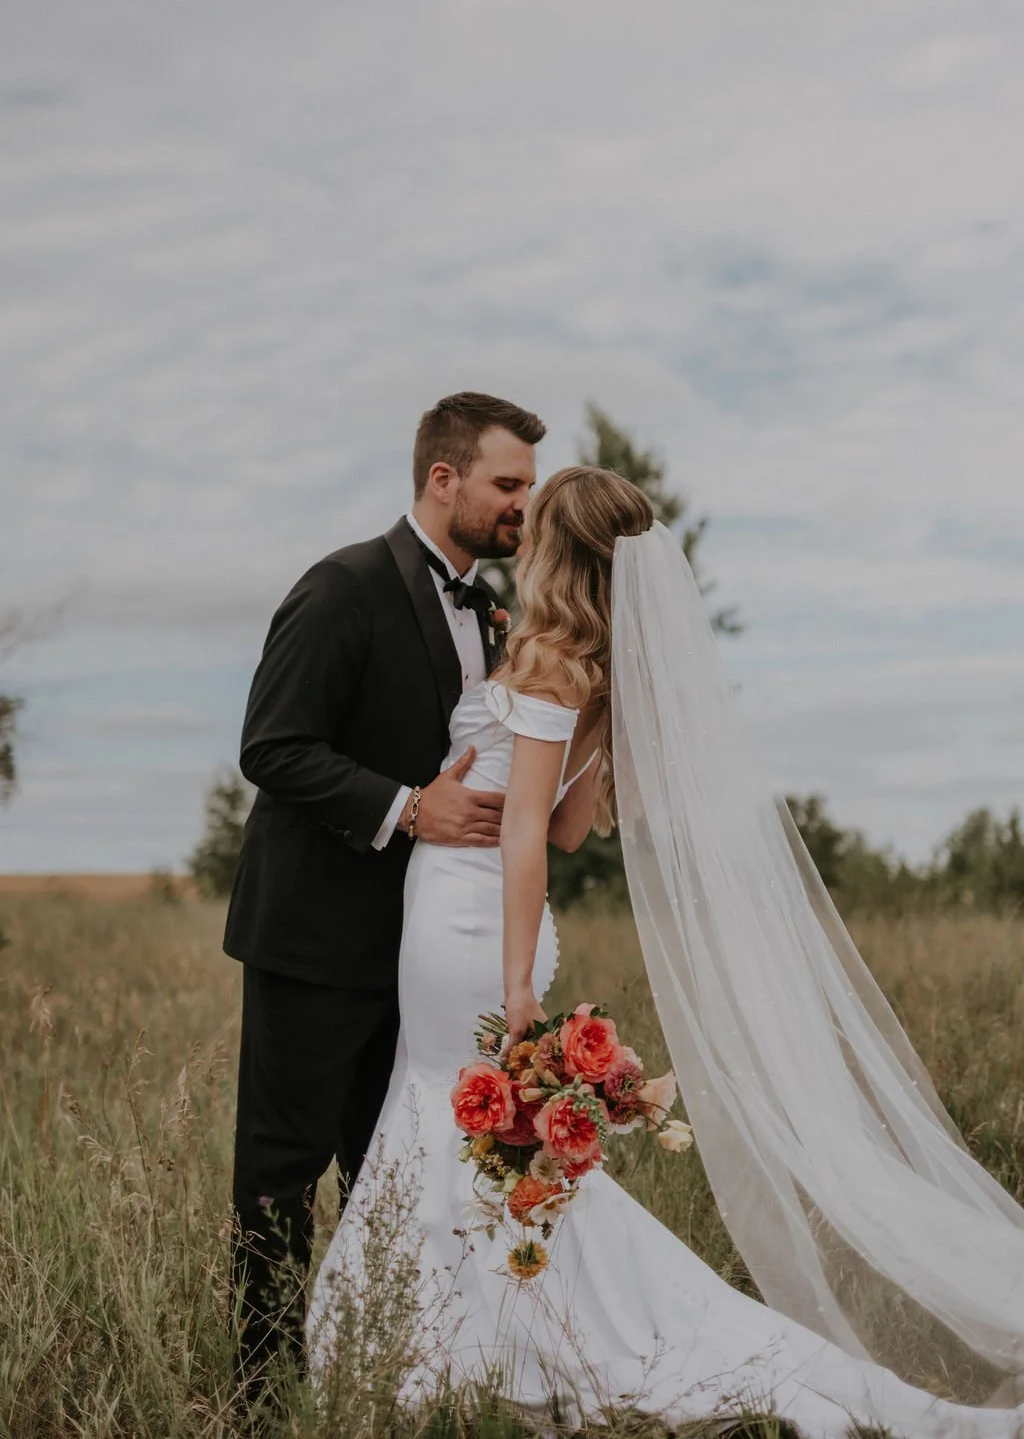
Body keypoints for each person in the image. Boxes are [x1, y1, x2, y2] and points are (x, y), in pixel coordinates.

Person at [308, 466, 1024, 1438]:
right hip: (479, 915)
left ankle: (475, 1336)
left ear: (557, 549)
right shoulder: (587, 673)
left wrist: (516, 982)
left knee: (448, 1108)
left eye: (534, 520)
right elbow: (569, 828)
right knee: (462, 1122)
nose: (519, 529)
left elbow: (526, 834)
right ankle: (484, 1325)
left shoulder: (548, 665)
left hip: (472, 924)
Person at [223, 391, 545, 1388]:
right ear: (442, 478)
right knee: (281, 1177)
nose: (523, 505)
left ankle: (381, 1377)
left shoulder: (492, 608)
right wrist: (409, 808)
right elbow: (271, 747)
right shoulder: (343, 586)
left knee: (392, 1173)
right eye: (506, 484)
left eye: (529, 487)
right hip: (313, 938)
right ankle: (263, 1393)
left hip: (421, 948)